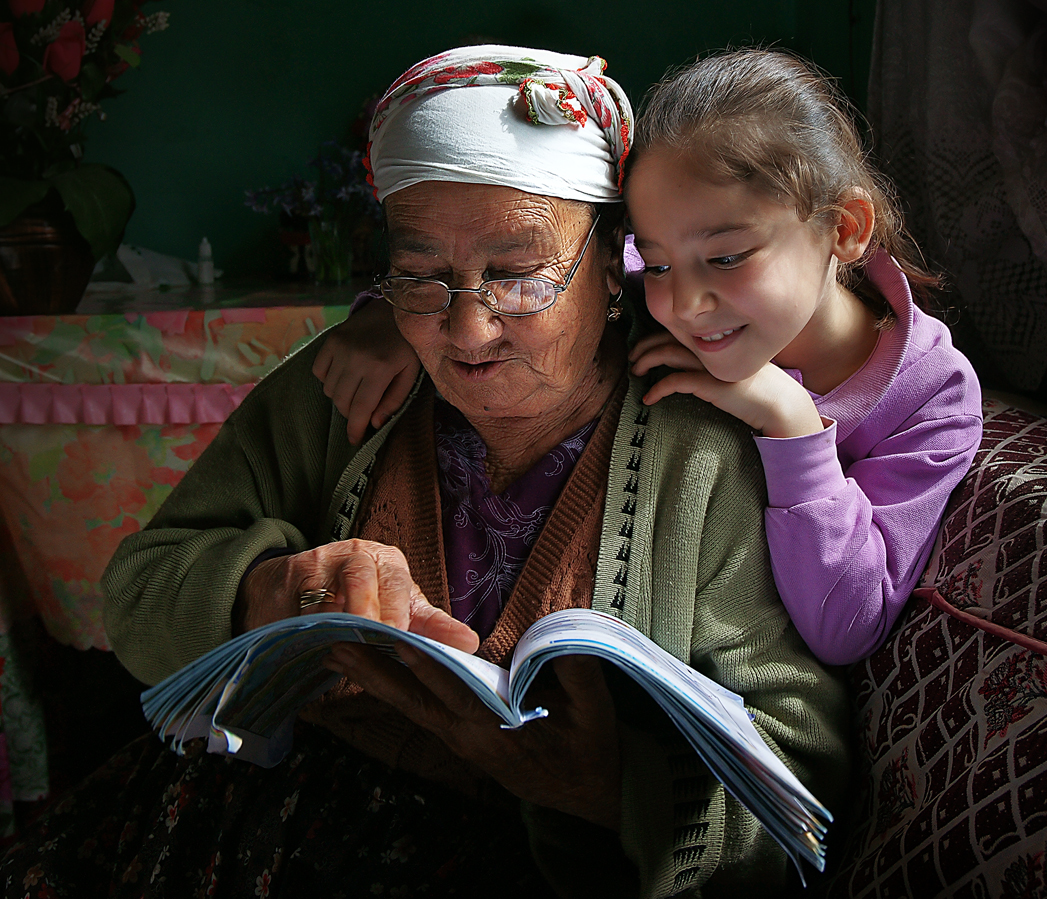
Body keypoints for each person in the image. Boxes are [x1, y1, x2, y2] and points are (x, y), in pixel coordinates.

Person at [0, 46, 850, 898]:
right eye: (419, 278)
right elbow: (138, 590)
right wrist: (263, 593)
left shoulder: (701, 445)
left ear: (607, 260)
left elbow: (798, 771)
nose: (467, 330)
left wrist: (604, 794)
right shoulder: (345, 386)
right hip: (238, 831)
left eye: (517, 277)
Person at [320, 48, 983, 667]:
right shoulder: (643, 293)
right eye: (657, 260)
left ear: (843, 229)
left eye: (726, 256)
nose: (685, 302)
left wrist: (791, 423)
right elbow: (495, 282)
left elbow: (846, 626)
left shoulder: (930, 393)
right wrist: (384, 317)